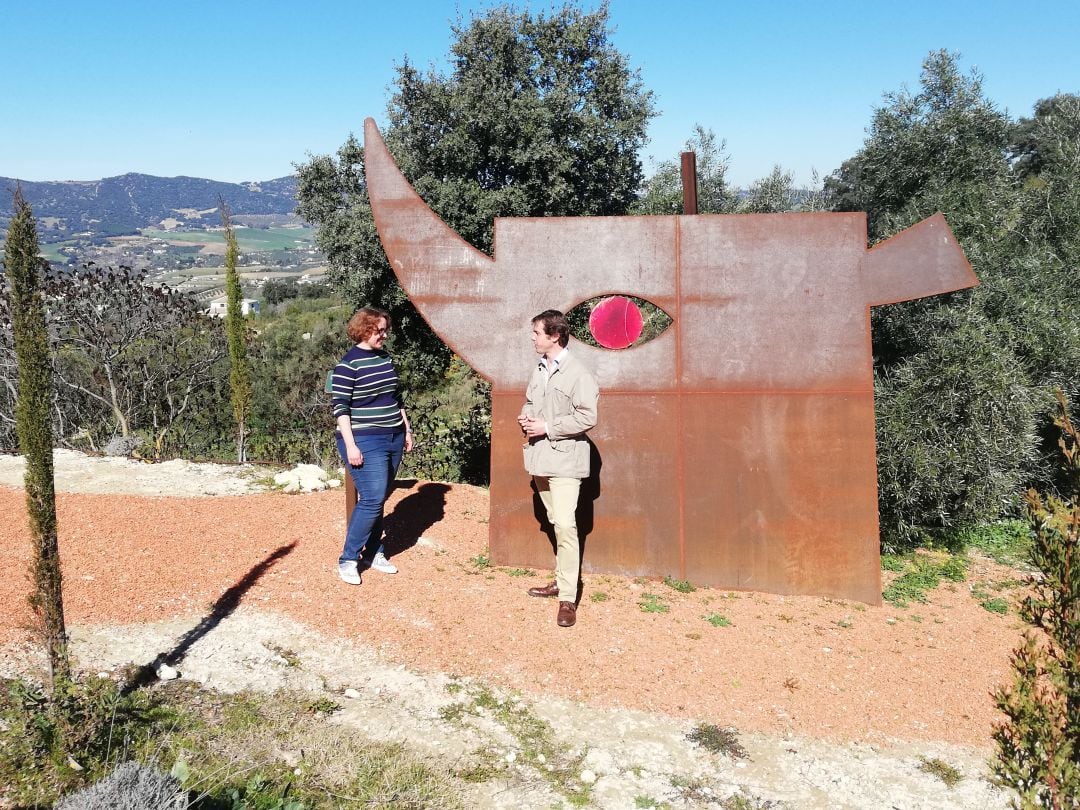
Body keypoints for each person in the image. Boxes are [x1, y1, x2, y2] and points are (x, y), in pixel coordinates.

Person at [518, 309, 599, 627]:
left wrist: (548, 426)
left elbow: (588, 416)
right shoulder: (539, 368)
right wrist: (525, 417)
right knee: (555, 521)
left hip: (565, 460)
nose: (532, 337)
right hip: (539, 460)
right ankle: (563, 578)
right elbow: (529, 401)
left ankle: (568, 597)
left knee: (565, 524)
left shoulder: (579, 373)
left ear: (554, 336)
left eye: (536, 332)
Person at [331, 306, 414, 585]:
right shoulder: (347, 365)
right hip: (365, 439)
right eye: (379, 331)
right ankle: (348, 559)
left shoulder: (385, 359)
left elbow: (395, 397)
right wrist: (351, 446)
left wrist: (407, 428)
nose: (384, 335)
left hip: (393, 436)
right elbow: (340, 409)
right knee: (372, 498)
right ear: (365, 330)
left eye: (385, 330)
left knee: (379, 497)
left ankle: (374, 551)